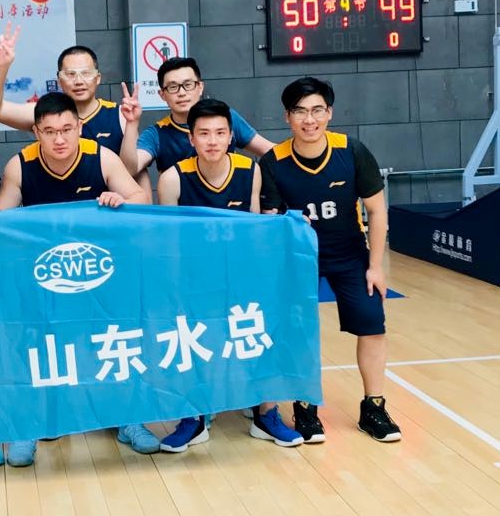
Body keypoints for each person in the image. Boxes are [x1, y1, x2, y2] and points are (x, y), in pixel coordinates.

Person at [0, 91, 150, 465]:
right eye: (49, 131)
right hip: (44, 275)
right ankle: (30, 425)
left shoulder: (102, 157)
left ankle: (128, 418)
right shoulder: (20, 165)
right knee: (39, 350)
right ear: (36, 132)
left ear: (79, 128)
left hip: (96, 271)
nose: (59, 139)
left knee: (110, 342)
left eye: (66, 129)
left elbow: (140, 197)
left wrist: (120, 200)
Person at [155, 99, 304, 452]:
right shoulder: (172, 178)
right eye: (204, 134)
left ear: (231, 136)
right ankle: (193, 418)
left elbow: (253, 230)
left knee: (263, 332)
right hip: (193, 279)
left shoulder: (250, 170)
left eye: (220, 133)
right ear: (191, 138)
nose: (212, 141)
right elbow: (168, 244)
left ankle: (266, 414)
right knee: (188, 340)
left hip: (240, 274)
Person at [259, 76, 400, 444]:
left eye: (317, 110)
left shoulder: (352, 151)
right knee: (300, 330)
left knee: (372, 323)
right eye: (300, 112)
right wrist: (288, 223)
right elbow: (270, 220)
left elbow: (377, 211)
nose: (310, 120)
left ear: (329, 113)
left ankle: (374, 407)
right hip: (298, 259)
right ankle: (305, 406)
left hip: (349, 254)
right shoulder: (273, 161)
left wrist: (375, 266)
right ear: (287, 117)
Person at [119, 56, 275, 187]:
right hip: (184, 209)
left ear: (200, 87)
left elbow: (271, 151)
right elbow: (129, 169)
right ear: (162, 95)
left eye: (188, 85)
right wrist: (132, 123)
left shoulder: (225, 117)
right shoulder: (157, 134)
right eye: (173, 87)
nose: (181, 93)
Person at [0, 28, 126, 151]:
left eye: (86, 73)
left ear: (98, 78)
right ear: (59, 81)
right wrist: (1, 67)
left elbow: (134, 168)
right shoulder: (44, 111)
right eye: (70, 74)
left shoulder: (119, 115)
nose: (78, 81)